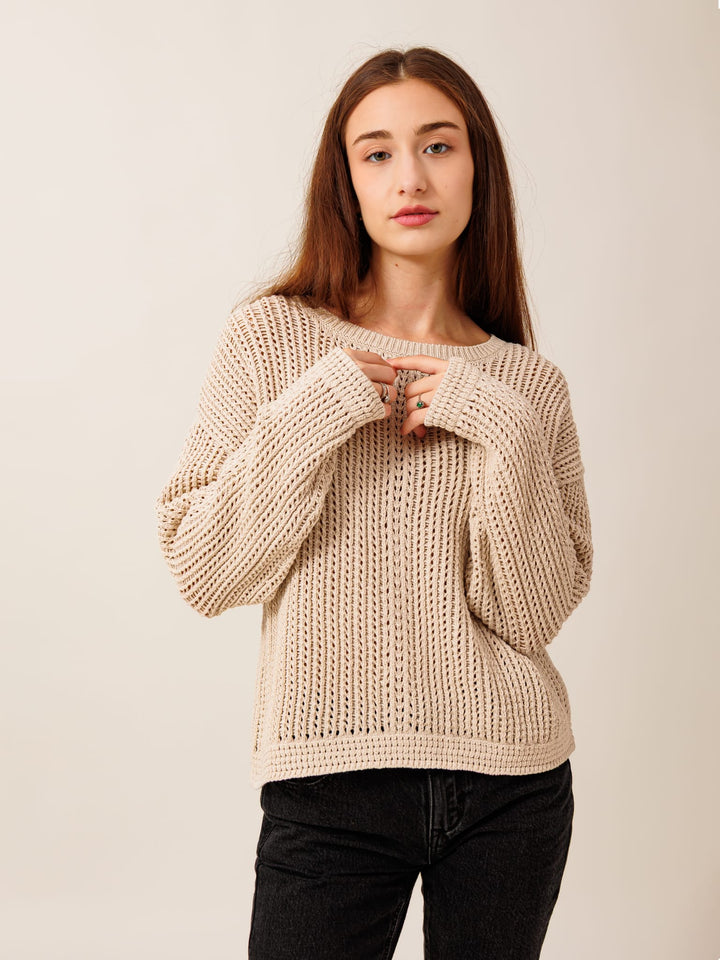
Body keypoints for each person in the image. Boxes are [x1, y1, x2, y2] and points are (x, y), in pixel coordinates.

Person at [155, 46, 594, 960]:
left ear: (479, 168)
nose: (411, 177)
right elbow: (204, 567)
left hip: (511, 782)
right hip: (329, 784)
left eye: (438, 146)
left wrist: (496, 425)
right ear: (345, 180)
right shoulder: (273, 338)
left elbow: (534, 611)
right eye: (378, 153)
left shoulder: (529, 387)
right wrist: (321, 404)